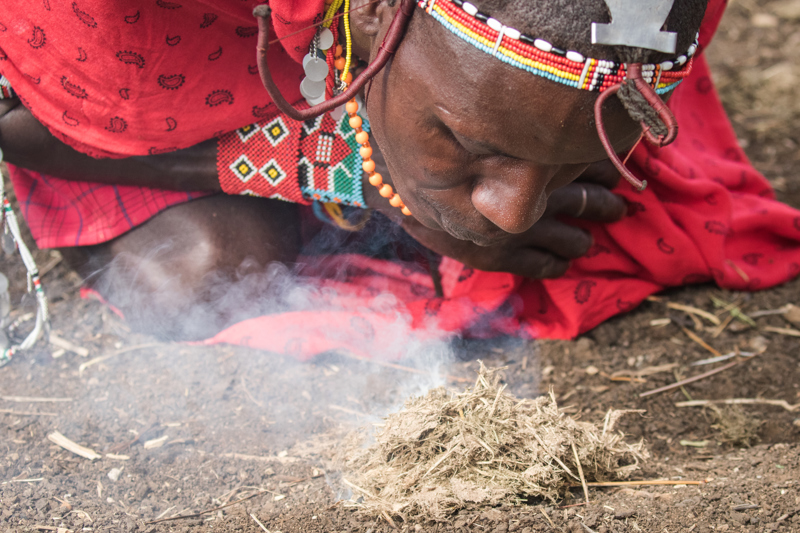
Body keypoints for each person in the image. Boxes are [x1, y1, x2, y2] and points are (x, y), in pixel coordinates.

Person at [0, 0, 798, 357]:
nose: (514, 209)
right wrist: (339, 168)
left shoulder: (647, 18)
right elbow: (14, 113)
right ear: (381, 10)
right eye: (467, 139)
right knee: (203, 273)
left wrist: (472, 154)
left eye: (552, 160)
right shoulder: (82, 18)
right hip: (137, 69)